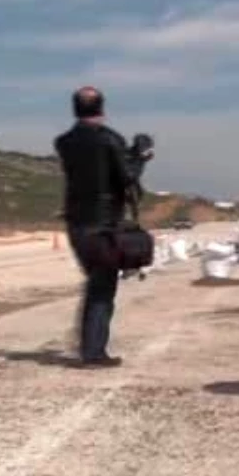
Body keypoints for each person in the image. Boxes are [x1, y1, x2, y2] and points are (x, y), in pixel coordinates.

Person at [53, 86, 142, 368]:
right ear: (102, 108)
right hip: (103, 223)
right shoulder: (110, 140)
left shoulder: (64, 142)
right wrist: (140, 156)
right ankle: (92, 352)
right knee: (102, 287)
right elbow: (127, 177)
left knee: (95, 283)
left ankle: (88, 345)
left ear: (75, 109)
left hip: (76, 222)